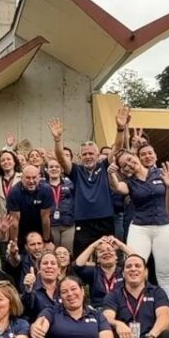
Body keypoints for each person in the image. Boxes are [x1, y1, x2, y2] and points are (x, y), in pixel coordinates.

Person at [48, 107, 129, 254]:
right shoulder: (76, 171)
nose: (88, 156)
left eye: (91, 153)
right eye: (84, 154)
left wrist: (120, 129)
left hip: (105, 219)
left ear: (98, 155)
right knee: (82, 258)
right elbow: (60, 157)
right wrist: (57, 139)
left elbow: (117, 147)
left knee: (107, 255)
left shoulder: (104, 166)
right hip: (83, 221)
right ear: (80, 157)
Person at [117, 149, 169, 294]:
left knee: (165, 274)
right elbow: (118, 188)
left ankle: (167, 305)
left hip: (164, 225)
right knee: (134, 270)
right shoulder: (129, 181)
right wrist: (112, 173)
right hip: (140, 227)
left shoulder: (161, 173)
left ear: (135, 156)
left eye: (130, 159)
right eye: (124, 165)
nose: (129, 164)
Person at [73, 236, 128, 309]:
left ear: (116, 257)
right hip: (99, 309)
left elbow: (139, 260)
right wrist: (93, 246)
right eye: (101, 251)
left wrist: (121, 245)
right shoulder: (93, 272)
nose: (106, 253)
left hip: (121, 308)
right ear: (97, 259)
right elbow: (77, 265)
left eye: (109, 250)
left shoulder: (124, 271)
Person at [21, 250, 62, 320]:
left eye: (53, 263)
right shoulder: (32, 289)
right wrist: (28, 290)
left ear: (59, 270)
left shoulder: (64, 288)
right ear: (39, 269)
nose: (49, 266)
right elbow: (25, 309)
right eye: (45, 263)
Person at [45, 158, 75, 252]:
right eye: (51, 167)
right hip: (51, 224)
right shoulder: (42, 186)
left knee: (67, 252)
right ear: (47, 170)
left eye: (57, 167)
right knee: (52, 253)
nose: (54, 169)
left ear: (62, 169)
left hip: (68, 223)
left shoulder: (70, 183)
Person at [0, 149, 20, 224]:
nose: (6, 162)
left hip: (20, 221)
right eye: (2, 160)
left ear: (14, 162)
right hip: (0, 222)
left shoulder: (22, 179)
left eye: (8, 159)